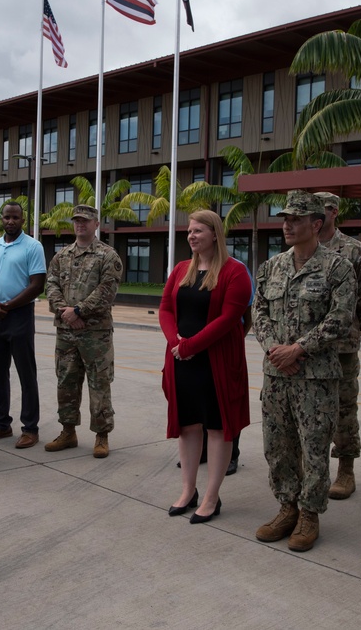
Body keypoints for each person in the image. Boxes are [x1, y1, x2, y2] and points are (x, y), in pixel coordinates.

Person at [253, 191, 357, 552]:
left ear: (317, 223)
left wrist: (298, 349)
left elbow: (341, 318)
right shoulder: (271, 267)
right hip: (277, 374)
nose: (287, 225)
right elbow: (259, 313)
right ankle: (287, 507)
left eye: (296, 219)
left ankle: (310, 514)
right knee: (277, 445)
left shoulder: (338, 267)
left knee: (314, 448)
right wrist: (273, 349)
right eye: (285, 219)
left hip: (316, 376)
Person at [159, 209, 251, 523]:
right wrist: (176, 343)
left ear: (215, 234)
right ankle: (188, 490)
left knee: (216, 427)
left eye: (198, 230)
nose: (192, 236)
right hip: (182, 359)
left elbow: (229, 319)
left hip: (216, 362)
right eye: (189, 231)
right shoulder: (182, 269)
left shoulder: (234, 271)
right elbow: (166, 308)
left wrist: (190, 345)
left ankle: (211, 497)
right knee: (187, 426)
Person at [313, 192, 361, 500]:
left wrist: (354, 325)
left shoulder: (354, 250)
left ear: (334, 212)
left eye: (320, 210)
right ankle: (313, 467)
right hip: (304, 347)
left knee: (343, 409)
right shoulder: (302, 247)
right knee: (310, 409)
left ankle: (346, 470)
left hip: (340, 347)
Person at [44, 205, 123, 458]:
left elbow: (106, 291)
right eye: (77, 220)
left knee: (99, 383)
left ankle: (102, 435)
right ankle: (68, 431)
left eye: (86, 221)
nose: (81, 225)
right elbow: (51, 284)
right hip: (66, 332)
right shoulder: (62, 255)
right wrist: (65, 311)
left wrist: (78, 311)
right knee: (66, 382)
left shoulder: (108, 256)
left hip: (95, 333)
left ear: (96, 224)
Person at [0, 201, 46, 449]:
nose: (10, 221)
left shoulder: (33, 246)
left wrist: (7, 307)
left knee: (26, 373)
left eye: (15, 218)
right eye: (6, 217)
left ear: (23, 220)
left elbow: (37, 285)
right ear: (1, 219)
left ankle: (30, 428)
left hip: (19, 316)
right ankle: (2, 424)